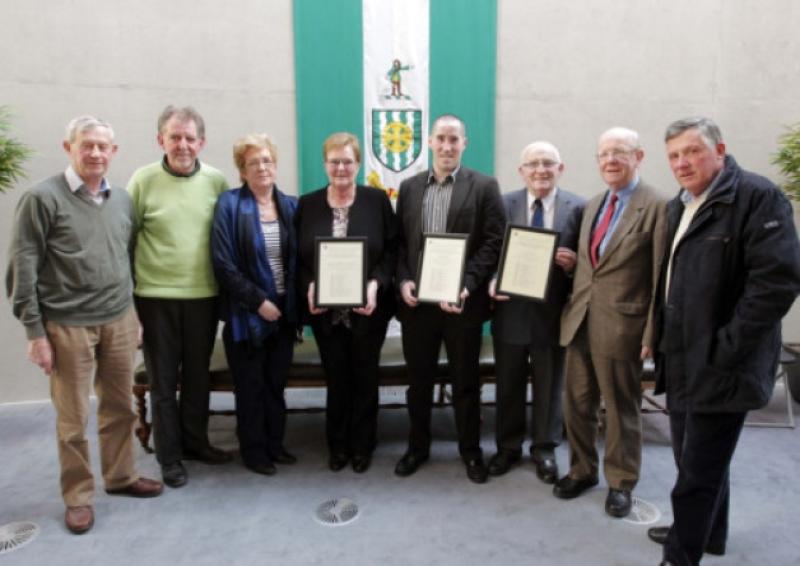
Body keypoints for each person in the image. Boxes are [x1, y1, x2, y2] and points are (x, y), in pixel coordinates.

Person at [647, 117, 800, 566]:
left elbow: (776, 283)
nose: (682, 162)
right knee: (694, 457)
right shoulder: (682, 205)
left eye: (692, 151)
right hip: (682, 357)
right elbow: (672, 281)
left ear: (719, 150)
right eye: (674, 155)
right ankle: (710, 534)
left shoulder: (757, 197)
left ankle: (681, 554)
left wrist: (727, 347)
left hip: (721, 362)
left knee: (698, 469)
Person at [6, 116, 163, 534]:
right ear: (68, 147)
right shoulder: (42, 199)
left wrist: (132, 314)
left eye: (102, 147)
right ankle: (77, 496)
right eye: (86, 145)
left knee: (120, 407)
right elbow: (22, 266)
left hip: (118, 318)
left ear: (113, 152)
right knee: (72, 418)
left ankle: (121, 476)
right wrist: (35, 332)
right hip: (67, 324)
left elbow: (124, 257)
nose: (95, 153)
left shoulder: (122, 200)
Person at [555, 127, 667, 517]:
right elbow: (591, 266)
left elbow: (658, 276)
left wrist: (652, 331)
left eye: (620, 152)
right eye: (603, 154)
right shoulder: (594, 204)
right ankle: (582, 470)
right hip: (580, 320)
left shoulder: (656, 206)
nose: (610, 161)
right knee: (577, 404)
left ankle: (621, 482)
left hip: (624, 326)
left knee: (621, 409)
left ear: (639, 156)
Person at [394, 114, 505, 483]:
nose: (446, 146)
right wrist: (405, 280)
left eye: (453, 139)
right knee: (419, 382)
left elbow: (493, 242)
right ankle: (417, 447)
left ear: (464, 143)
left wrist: (467, 284)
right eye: (440, 138)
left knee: (465, 381)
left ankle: (470, 451)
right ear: (429, 142)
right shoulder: (409, 188)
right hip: (418, 306)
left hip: (462, 304)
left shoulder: (484, 186)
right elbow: (400, 245)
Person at [127, 105, 230, 488]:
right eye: (175, 137)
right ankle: (170, 457)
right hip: (155, 298)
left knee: (199, 378)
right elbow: (127, 241)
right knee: (163, 381)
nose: (183, 145)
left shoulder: (216, 181)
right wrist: (130, 308)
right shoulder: (143, 180)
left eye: (190, 138)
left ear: (201, 142)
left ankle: (196, 442)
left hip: (203, 296)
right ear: (161, 140)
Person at [296, 132, 397, 473]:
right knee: (336, 377)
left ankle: (363, 444)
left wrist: (375, 285)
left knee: (366, 377)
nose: (341, 168)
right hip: (325, 312)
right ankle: (337, 445)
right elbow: (300, 258)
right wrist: (310, 285)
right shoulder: (307, 204)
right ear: (324, 164)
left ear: (358, 164)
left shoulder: (376, 201)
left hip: (368, 309)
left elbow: (391, 252)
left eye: (347, 161)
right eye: (334, 161)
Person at [488, 141, 585, 482]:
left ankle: (544, 448)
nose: (540, 170)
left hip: (553, 314)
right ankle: (507, 448)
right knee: (508, 384)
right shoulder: (503, 204)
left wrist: (573, 264)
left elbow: (590, 262)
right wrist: (494, 278)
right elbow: (490, 251)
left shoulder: (579, 207)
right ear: (521, 171)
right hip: (510, 311)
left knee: (549, 385)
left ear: (561, 168)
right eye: (533, 164)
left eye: (548, 163)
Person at [211, 134, 299, 476]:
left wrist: (286, 303)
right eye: (253, 163)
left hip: (284, 312)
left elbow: (300, 260)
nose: (261, 167)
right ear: (242, 171)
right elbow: (223, 264)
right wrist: (259, 301)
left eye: (266, 161)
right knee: (250, 386)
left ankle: (276, 444)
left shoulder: (290, 206)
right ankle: (254, 450)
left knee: (276, 384)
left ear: (275, 166)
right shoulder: (229, 205)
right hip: (245, 314)